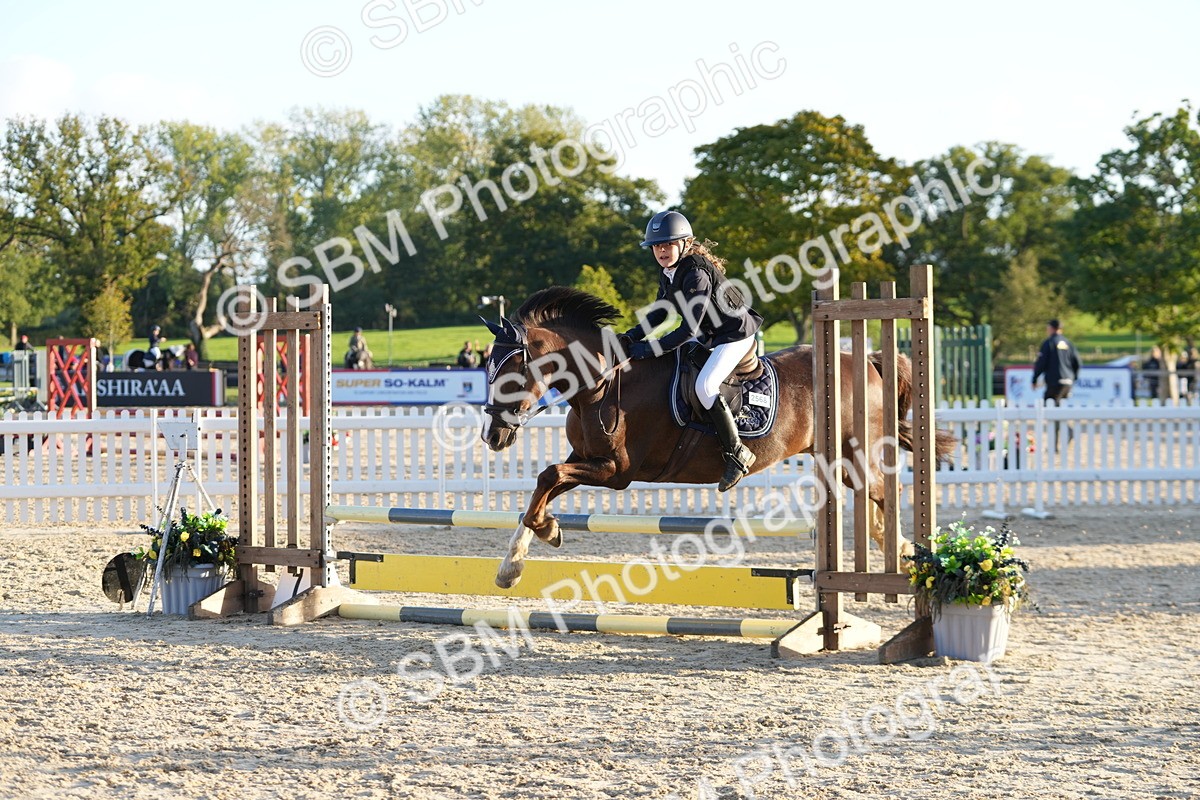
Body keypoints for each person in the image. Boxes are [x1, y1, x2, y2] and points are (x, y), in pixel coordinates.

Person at [621, 209, 765, 492]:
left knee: (705, 386)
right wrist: (630, 337)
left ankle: (737, 453)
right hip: (711, 334)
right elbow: (660, 313)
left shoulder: (696, 273)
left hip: (734, 336)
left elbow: (687, 330)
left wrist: (647, 350)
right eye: (656, 246)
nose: (661, 251)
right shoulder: (669, 272)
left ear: (685, 244)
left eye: (668, 244)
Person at [1032, 318, 1081, 451]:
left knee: (1050, 411)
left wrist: (1034, 379)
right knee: (1058, 410)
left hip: (1055, 382)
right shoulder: (1068, 343)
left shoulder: (1049, 343)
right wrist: (1073, 378)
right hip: (1067, 382)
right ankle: (1060, 439)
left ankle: (1058, 441)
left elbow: (1041, 363)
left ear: (1051, 328)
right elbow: (1077, 363)